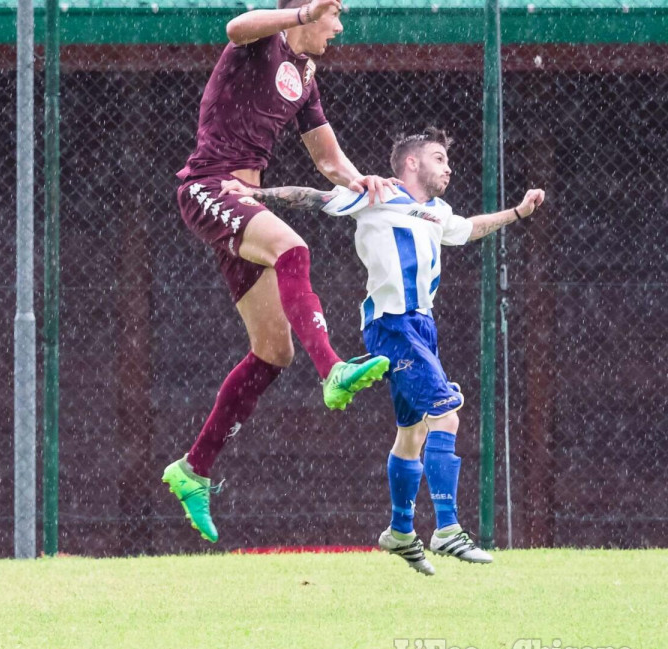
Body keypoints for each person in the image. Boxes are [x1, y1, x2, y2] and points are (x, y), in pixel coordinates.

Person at [222, 128, 545, 574]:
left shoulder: (438, 212)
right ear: (411, 163)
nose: (447, 166)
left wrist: (518, 213)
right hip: (393, 326)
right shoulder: (379, 194)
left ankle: (399, 531)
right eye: (437, 157)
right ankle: (448, 529)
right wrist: (255, 194)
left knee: (411, 434)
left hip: (422, 327)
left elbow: (469, 229)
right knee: (446, 414)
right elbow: (314, 197)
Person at [163, 0, 399, 544]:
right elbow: (236, 26)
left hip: (247, 201)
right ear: (305, 11)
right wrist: (296, 15)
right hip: (209, 186)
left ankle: (192, 468)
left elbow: (325, 153)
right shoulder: (260, 42)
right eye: (331, 16)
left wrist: (358, 177)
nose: (337, 28)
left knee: (273, 350)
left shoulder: (307, 77)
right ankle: (335, 370)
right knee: (294, 247)